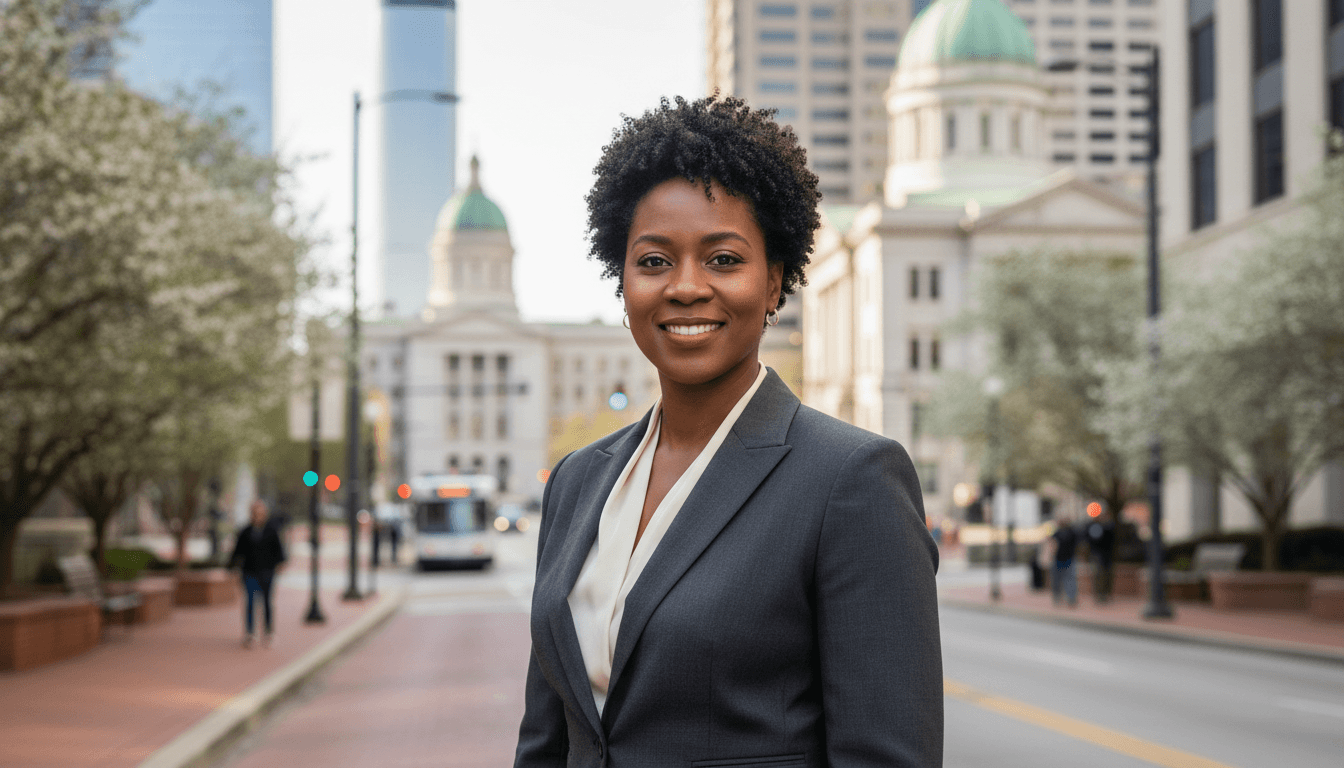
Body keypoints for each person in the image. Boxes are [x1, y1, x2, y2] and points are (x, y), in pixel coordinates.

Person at [514, 96, 942, 768]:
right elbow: (549, 736)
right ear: (622, 284)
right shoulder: (577, 480)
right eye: (654, 261)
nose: (685, 287)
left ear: (773, 282)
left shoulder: (850, 481)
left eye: (722, 259)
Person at [228, 499, 286, 647]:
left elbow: (278, 551)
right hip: (249, 572)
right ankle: (250, 634)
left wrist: (280, 564)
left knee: (267, 602)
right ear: (251, 514)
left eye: (260, 513)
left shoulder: (272, 530)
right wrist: (232, 568)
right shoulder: (245, 532)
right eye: (255, 513)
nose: (257, 516)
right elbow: (237, 552)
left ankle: (268, 633)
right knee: (250, 602)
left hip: (267, 572)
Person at [1085, 511, 1116, 604]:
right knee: (1099, 574)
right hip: (1097, 554)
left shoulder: (1108, 526)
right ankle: (1100, 595)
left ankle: (1106, 594)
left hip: (1107, 554)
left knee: (1107, 574)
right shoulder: (1093, 527)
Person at [1050, 514, 1079, 608]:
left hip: (1068, 559)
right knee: (1059, 580)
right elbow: (1052, 545)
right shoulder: (1058, 533)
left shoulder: (1071, 532)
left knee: (1068, 579)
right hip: (1059, 559)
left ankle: (1070, 598)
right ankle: (1060, 597)